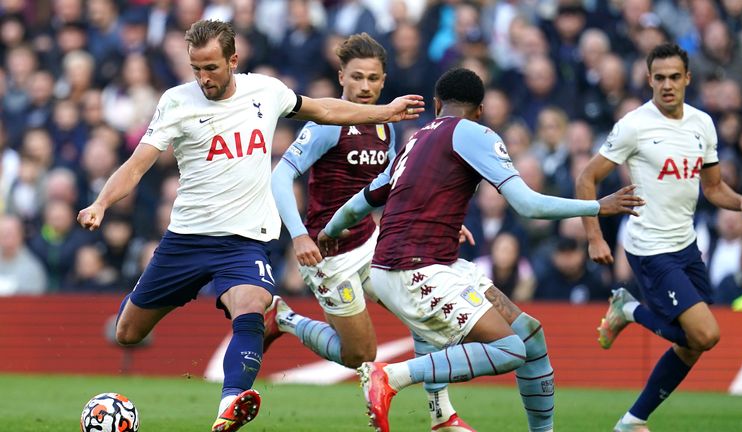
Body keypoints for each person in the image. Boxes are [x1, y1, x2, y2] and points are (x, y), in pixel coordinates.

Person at [75, 19, 423, 432]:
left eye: (212, 68)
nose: (204, 78)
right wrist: (100, 203)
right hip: (186, 239)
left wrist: (385, 112)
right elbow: (136, 165)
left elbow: (326, 109)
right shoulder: (176, 102)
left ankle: (230, 404)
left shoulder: (266, 91)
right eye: (196, 69)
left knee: (252, 305)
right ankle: (141, 307)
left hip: (244, 241)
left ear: (233, 60)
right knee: (127, 333)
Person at [318, 68, 644, 432]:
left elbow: (363, 200)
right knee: (510, 350)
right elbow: (528, 206)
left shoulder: (416, 140)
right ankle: (391, 375)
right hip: (414, 268)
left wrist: (330, 232)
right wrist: (599, 206)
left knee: (530, 336)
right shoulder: (476, 134)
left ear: (438, 104)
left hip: (421, 263)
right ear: (480, 110)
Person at [268, 32, 474, 431]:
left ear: (383, 81)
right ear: (341, 76)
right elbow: (280, 176)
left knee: (426, 315)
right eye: (357, 77)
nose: (365, 87)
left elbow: (388, 188)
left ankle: (441, 415)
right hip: (329, 253)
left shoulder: (386, 125)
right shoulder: (327, 123)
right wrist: (298, 235)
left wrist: (441, 218)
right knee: (360, 354)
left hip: (372, 242)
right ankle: (285, 319)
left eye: (373, 79)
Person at [575, 43, 742, 432]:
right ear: (648, 80)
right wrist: (595, 237)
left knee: (693, 344)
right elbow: (586, 178)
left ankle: (632, 421)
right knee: (706, 333)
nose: (667, 85)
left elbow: (712, 188)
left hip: (686, 246)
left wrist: (741, 202)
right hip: (650, 247)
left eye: (674, 77)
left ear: (687, 79)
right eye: (659, 77)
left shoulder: (702, 124)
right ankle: (627, 309)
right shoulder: (634, 125)